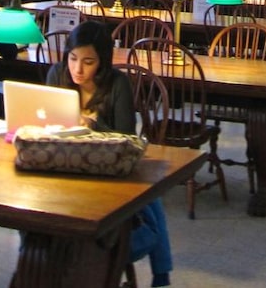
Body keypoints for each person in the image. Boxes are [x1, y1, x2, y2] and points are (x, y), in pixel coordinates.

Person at [46, 21, 173, 286]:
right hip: (64, 164)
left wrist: (94, 125)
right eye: (73, 58)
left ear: (102, 61)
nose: (78, 69)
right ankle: (161, 273)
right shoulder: (57, 74)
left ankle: (151, 269)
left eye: (88, 62)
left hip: (108, 168)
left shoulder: (118, 84)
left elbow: (126, 139)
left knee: (149, 195)